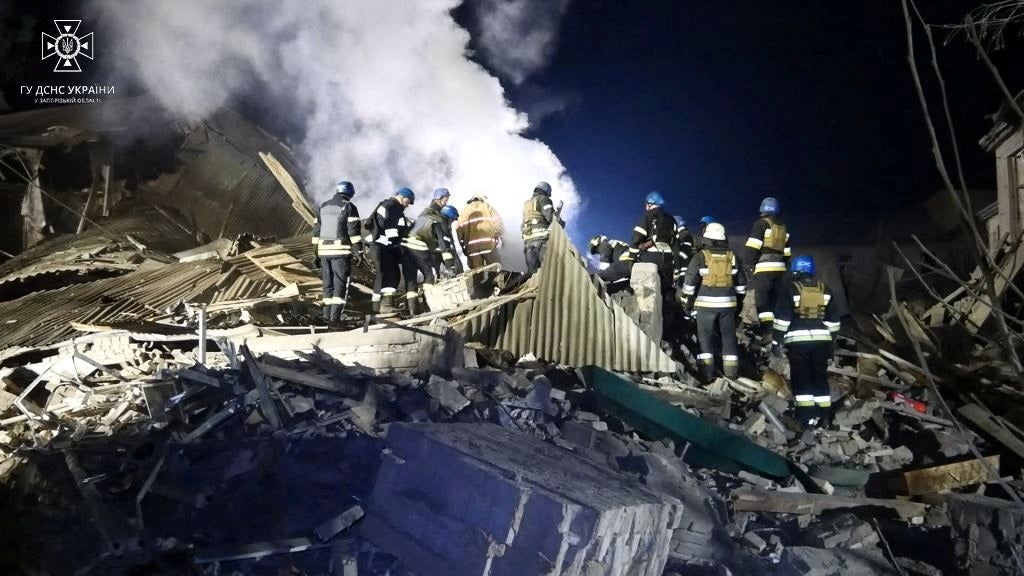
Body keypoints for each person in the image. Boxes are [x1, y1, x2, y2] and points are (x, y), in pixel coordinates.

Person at [772, 255, 841, 428]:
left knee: (802, 379)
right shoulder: (825, 289)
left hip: (797, 343)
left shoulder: (790, 289)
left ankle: (806, 418)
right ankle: (825, 417)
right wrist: (831, 341)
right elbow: (834, 321)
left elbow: (782, 320)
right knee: (820, 377)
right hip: (822, 343)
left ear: (795, 271)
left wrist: (776, 341)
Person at [682, 222, 747, 381]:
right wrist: (737, 303)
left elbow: (689, 282)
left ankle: (707, 373)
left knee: (705, 340)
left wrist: (687, 302)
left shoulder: (700, 256)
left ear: (707, 239)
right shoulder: (733, 257)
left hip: (705, 307)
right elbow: (742, 286)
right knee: (729, 338)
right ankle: (731, 373)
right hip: (728, 307)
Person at [743, 197, 791, 343]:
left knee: (762, 303)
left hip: (764, 270)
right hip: (780, 271)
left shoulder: (760, 224)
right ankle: (777, 334)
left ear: (763, 209)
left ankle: (766, 333)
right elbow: (787, 253)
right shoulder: (783, 227)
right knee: (774, 302)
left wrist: (748, 266)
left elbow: (752, 247)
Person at [313, 180, 360, 322]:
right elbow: (354, 232)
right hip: (340, 253)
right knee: (340, 285)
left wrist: (315, 253)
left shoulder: (323, 206)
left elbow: (316, 231)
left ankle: (326, 316)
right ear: (351, 193)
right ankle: (335, 319)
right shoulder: (350, 207)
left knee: (328, 285)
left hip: (323, 253)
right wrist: (359, 252)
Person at [368, 187, 415, 314]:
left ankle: (376, 308)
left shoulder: (388, 205)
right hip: (383, 246)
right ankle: (386, 305)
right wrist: (399, 246)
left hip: (379, 245)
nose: (407, 205)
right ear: (402, 197)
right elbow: (391, 231)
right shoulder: (393, 207)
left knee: (382, 274)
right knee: (392, 273)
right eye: (408, 201)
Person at [631, 191, 676, 292]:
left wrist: (632, 257)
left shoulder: (648, 216)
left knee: (647, 290)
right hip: (668, 259)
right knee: (666, 289)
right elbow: (675, 241)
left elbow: (637, 237)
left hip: (650, 257)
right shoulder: (672, 219)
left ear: (650, 204)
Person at [457, 195, 503, 269]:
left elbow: (459, 231)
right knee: (496, 268)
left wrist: (462, 246)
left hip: (472, 248)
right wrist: (503, 237)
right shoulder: (487, 207)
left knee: (476, 273)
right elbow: (499, 224)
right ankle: (496, 280)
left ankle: (480, 280)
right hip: (489, 245)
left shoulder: (464, 212)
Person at [522, 181, 558, 274]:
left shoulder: (527, 203)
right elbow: (550, 217)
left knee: (533, 272)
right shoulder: (544, 199)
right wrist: (560, 222)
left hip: (528, 242)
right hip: (541, 240)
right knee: (547, 271)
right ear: (546, 191)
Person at [672, 215, 695, 297]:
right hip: (681, 272)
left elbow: (684, 253)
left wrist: (674, 263)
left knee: (682, 296)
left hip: (684, 273)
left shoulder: (685, 235)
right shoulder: (680, 235)